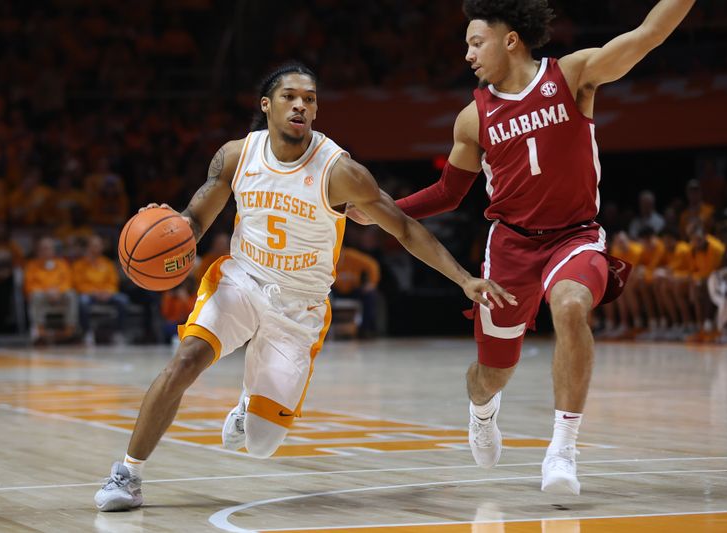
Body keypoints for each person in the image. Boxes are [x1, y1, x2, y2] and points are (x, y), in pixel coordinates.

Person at [94, 64, 516, 512]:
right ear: (267, 105)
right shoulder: (237, 156)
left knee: (260, 444)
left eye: (310, 98)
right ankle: (127, 475)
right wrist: (172, 227)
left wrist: (464, 278)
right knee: (186, 360)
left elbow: (406, 230)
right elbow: (197, 219)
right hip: (242, 280)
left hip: (299, 308)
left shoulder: (341, 171)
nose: (301, 105)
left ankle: (247, 404)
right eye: (290, 96)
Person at [349, 0, 694, 495]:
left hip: (575, 235)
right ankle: (483, 411)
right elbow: (448, 193)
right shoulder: (473, 118)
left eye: (475, 42)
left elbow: (648, 35)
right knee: (492, 373)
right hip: (511, 248)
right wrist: (383, 208)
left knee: (572, 305)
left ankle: (562, 450)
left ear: (509, 39)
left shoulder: (573, 75)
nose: (467, 54)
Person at [71, 235, 130, 346]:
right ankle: (87, 333)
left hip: (107, 294)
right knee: (82, 301)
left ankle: (119, 333)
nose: (97, 248)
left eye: (99, 246)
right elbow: (78, 284)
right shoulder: (79, 265)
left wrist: (108, 291)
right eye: (94, 246)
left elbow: (113, 282)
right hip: (90, 295)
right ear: (88, 248)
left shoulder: (107, 264)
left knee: (123, 300)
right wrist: (94, 292)